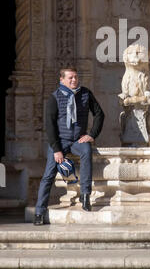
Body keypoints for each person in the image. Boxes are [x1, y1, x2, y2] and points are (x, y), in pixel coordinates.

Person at [34, 67, 105, 225]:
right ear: (62, 80)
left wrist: (92, 135)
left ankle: (85, 195)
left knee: (87, 152)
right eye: (70, 78)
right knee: (48, 175)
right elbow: (50, 126)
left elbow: (99, 114)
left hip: (77, 141)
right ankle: (39, 212)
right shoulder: (55, 97)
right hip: (59, 140)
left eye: (76, 77)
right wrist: (57, 150)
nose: (74, 80)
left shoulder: (85, 94)